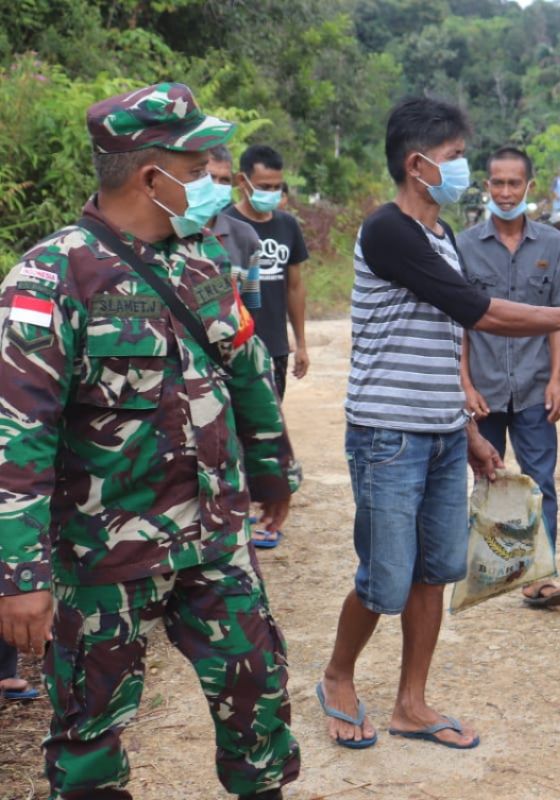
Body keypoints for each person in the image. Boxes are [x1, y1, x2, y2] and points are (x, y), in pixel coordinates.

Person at [0, 83, 300, 800]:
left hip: (214, 537)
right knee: (89, 733)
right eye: (197, 167)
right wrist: (22, 577)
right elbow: (19, 437)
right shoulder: (50, 278)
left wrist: (272, 474)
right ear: (150, 176)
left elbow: (249, 375)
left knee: (258, 695)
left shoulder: (202, 265)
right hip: (103, 554)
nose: (209, 182)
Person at [318, 96, 560, 751]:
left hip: (438, 432)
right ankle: (338, 676)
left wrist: (467, 436)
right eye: (457, 159)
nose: (465, 172)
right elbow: (473, 311)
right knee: (384, 581)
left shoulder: (439, 238)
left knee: (435, 573)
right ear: (417, 164)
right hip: (388, 435)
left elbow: (440, 343)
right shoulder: (388, 232)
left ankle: (412, 702)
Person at [459, 147, 560, 608]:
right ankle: (493, 567)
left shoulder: (552, 245)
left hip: (533, 386)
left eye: (514, 183)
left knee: (540, 481)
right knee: (487, 476)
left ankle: (540, 576)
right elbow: (459, 323)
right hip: (484, 388)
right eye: (497, 183)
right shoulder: (464, 245)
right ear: (486, 185)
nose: (505, 192)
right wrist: (464, 384)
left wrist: (557, 380)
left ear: (530, 187)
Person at [224, 145, 309, 401]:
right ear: (242, 181)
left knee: (270, 426)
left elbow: (294, 287)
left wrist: (301, 344)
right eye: (264, 187)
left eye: (276, 188)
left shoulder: (288, 225)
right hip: (233, 347)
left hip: (275, 347)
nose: (271, 194)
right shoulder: (223, 224)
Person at [207, 145, 263, 310]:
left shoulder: (245, 237)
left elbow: (251, 306)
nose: (216, 185)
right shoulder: (167, 232)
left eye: (224, 180)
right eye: (210, 177)